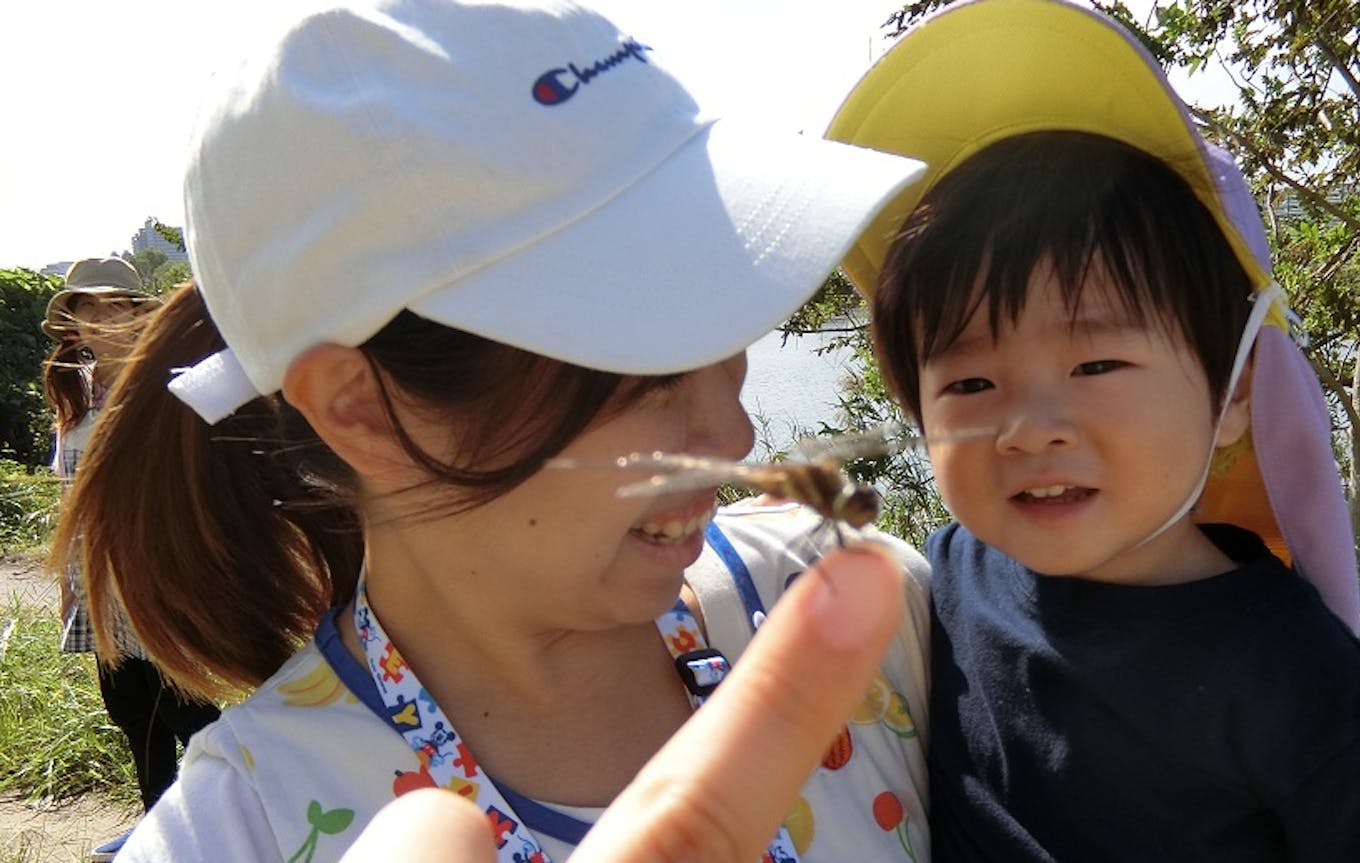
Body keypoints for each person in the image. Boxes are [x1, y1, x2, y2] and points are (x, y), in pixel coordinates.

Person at [52, 1, 934, 861]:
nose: (733, 432)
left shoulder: (856, 604)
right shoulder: (245, 825)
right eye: (650, 369)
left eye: (727, 334)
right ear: (358, 409)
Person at [826, 0, 1360, 859]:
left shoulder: (1323, 707)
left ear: (1234, 391)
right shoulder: (944, 578)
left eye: (1096, 365)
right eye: (971, 381)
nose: (1027, 429)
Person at [40, 257, 223, 862]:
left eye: (118, 306)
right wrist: (69, 579)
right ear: (74, 326)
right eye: (90, 309)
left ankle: (239, 805)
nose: (104, 319)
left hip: (153, 571)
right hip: (95, 577)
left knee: (183, 706)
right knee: (130, 708)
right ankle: (156, 829)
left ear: (143, 315)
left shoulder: (164, 384)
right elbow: (69, 493)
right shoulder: (74, 393)